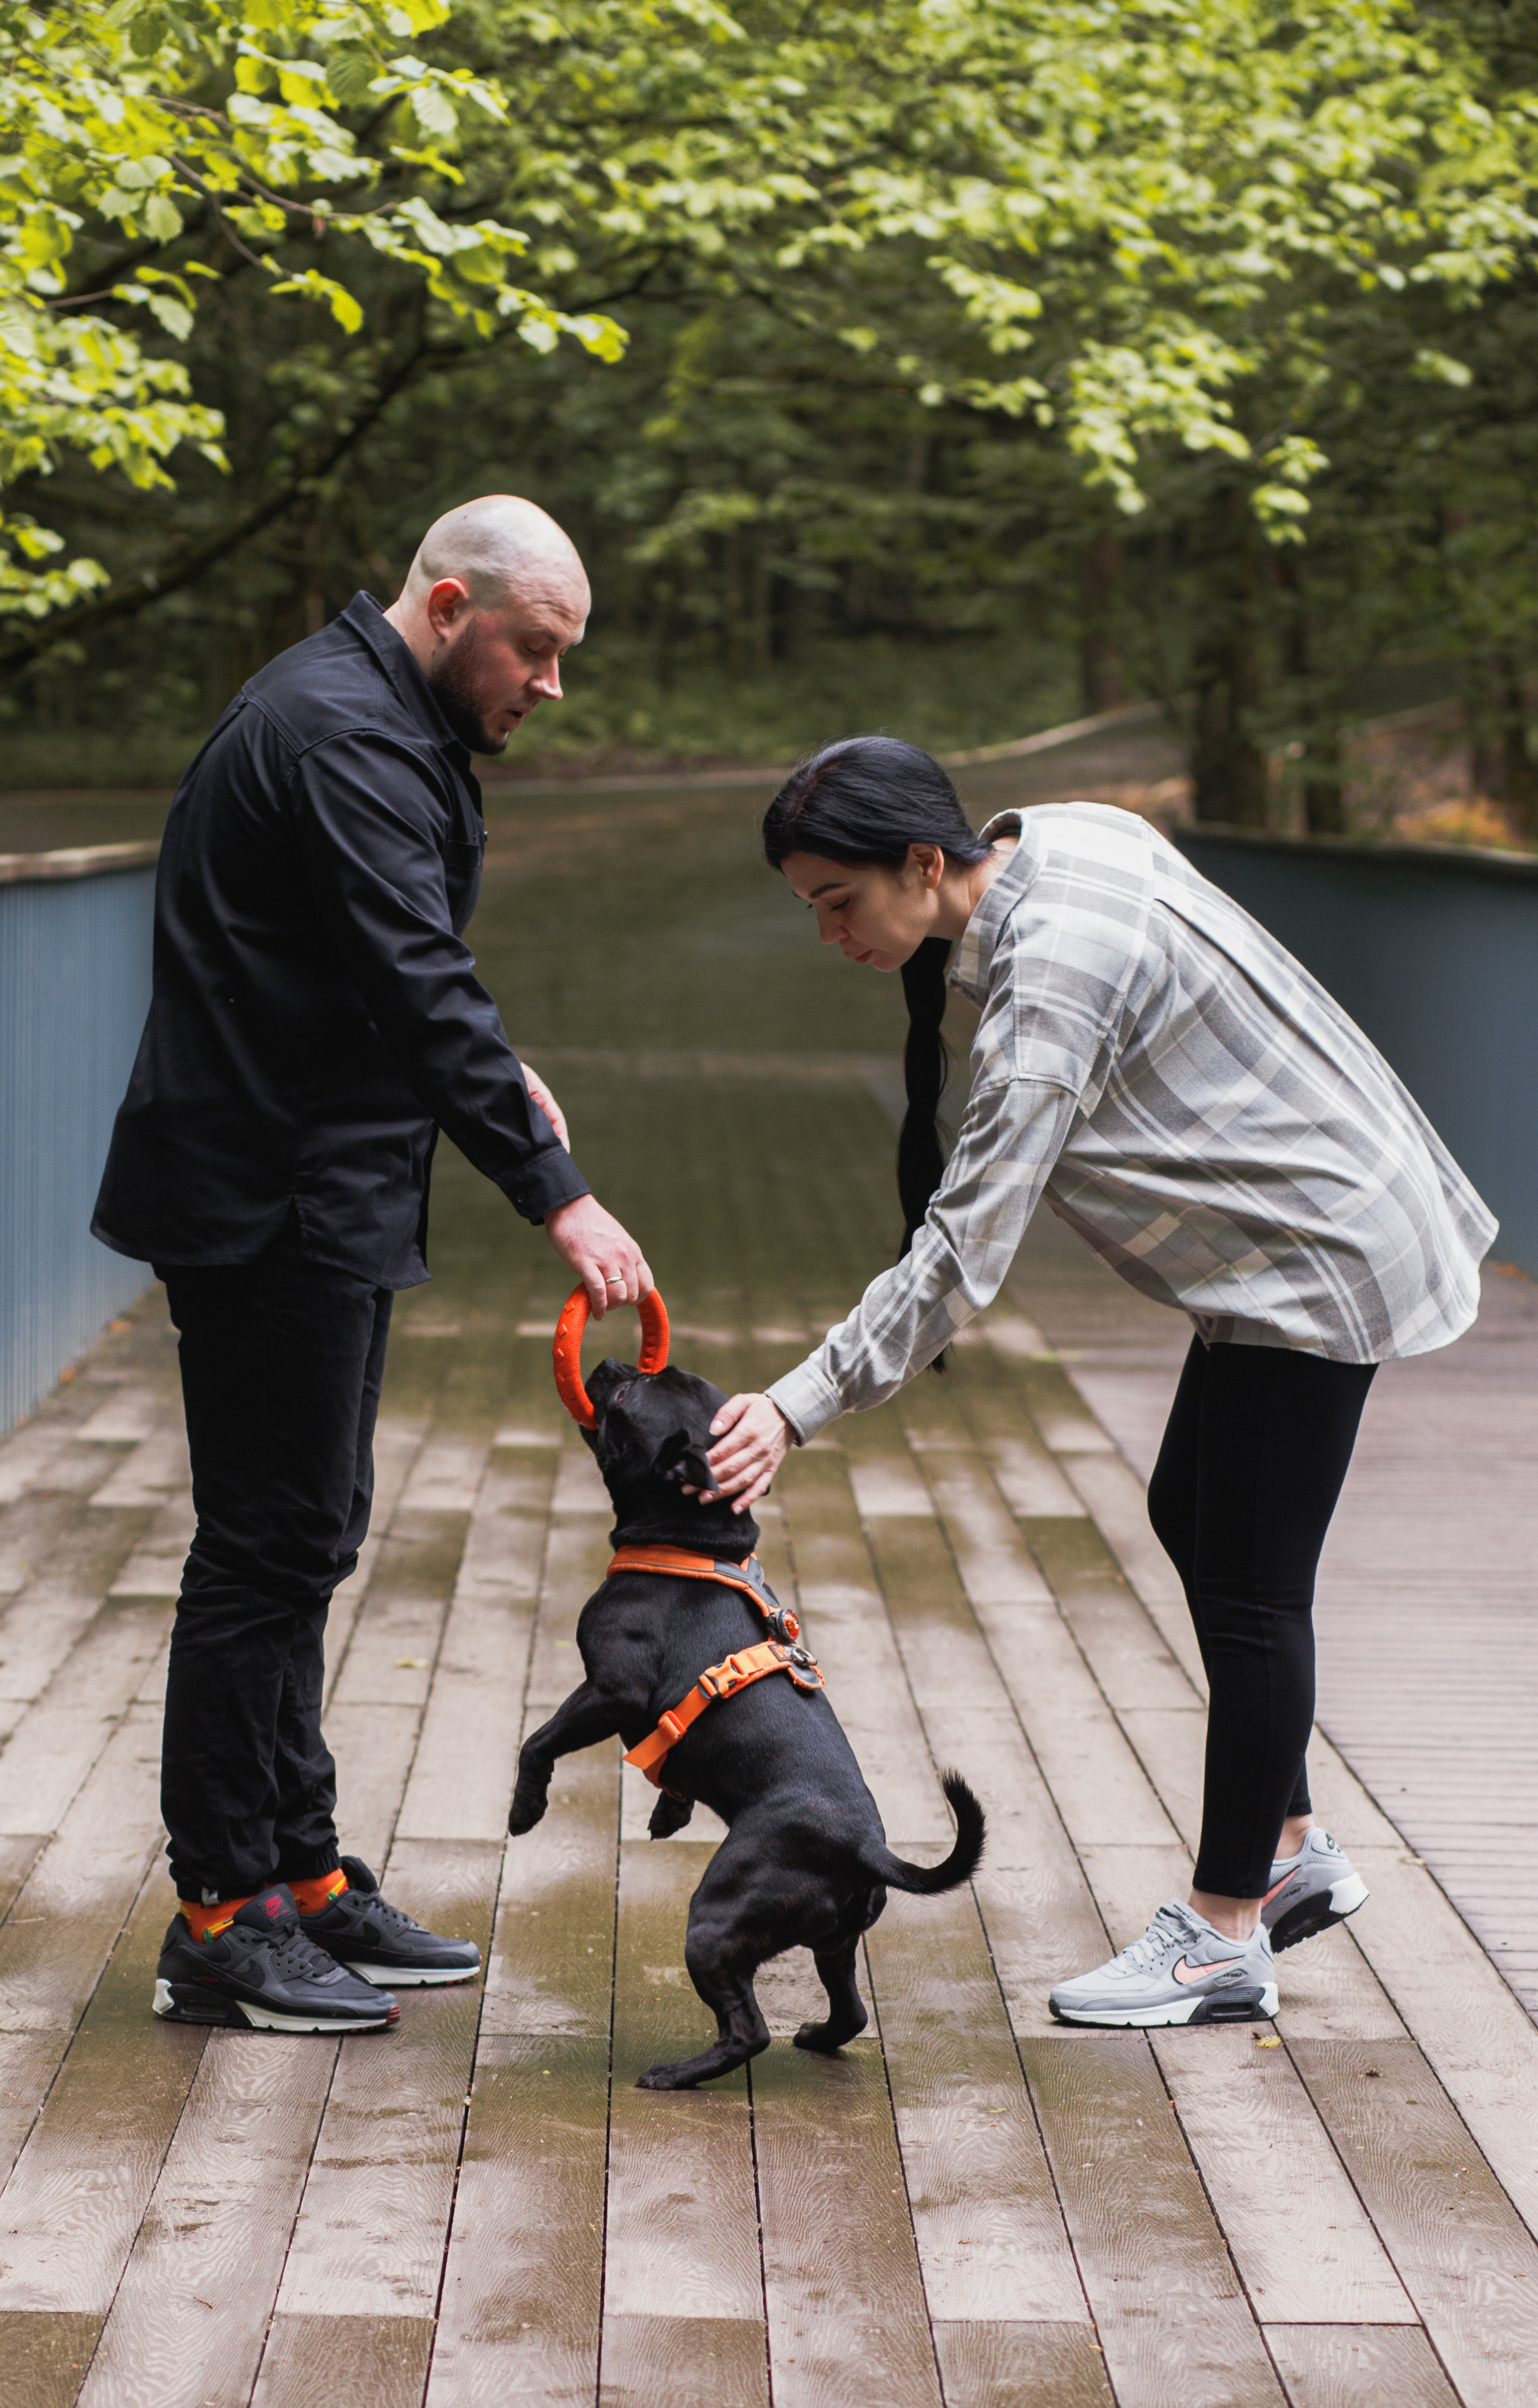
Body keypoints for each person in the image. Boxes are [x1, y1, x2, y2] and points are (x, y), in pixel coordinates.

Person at [703, 736, 1494, 2028]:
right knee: (1190, 1512)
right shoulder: (1052, 834)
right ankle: (1290, 1848)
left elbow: (964, 1251)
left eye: (836, 902)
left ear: (921, 863)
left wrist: (795, 1404)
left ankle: (1225, 1934)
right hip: (1293, 1227)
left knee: (1249, 1587)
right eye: (809, 908)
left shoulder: (1046, 986)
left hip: (1316, 1254)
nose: (827, 932)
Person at [93, 496, 653, 2035]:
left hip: (311, 1186)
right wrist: (559, 1198)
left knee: (312, 1537)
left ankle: (301, 1877)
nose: (549, 685)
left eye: (562, 657)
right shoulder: (340, 734)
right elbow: (413, 977)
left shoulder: (364, 716)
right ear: (451, 603)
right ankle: (220, 1914)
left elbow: (376, 956)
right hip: (266, 1197)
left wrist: (496, 1062)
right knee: (264, 1551)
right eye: (534, 651)